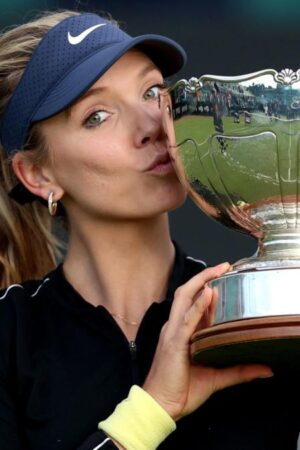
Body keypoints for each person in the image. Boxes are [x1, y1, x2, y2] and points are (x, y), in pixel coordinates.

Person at [0, 9, 298, 450]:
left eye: (152, 91)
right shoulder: (10, 337)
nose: (150, 126)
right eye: (97, 115)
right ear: (38, 176)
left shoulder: (252, 317)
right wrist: (151, 411)